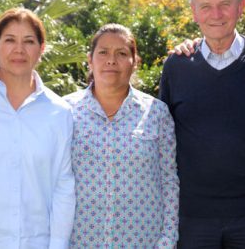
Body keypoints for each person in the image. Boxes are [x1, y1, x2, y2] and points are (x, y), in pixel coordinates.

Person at [159, 0, 245, 248]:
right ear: (194, 12)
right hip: (193, 216)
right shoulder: (177, 67)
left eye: (225, 4)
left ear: (241, 6)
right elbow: (163, 141)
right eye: (205, 6)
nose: (215, 14)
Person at [0, 7, 75, 248]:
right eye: (10, 40)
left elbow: (63, 186)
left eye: (28, 41)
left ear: (41, 49)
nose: (19, 49)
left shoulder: (60, 112)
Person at [64, 24, 179, 247]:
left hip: (143, 241)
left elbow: (169, 181)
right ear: (90, 60)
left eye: (121, 53)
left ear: (135, 62)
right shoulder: (65, 111)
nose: (111, 60)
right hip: (80, 242)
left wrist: (167, 240)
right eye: (103, 52)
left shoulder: (156, 113)